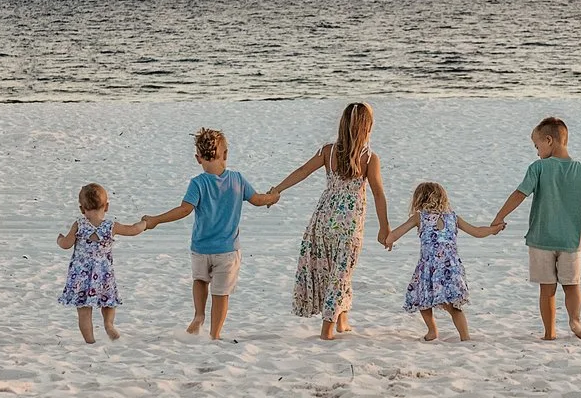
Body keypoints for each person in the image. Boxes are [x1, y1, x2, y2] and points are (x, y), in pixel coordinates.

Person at [132, 128, 282, 340]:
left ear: (198, 158)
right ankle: (215, 334)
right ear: (226, 154)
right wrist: (273, 197)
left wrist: (156, 219)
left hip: (201, 248)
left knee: (200, 280)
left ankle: (199, 315)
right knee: (221, 294)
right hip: (227, 251)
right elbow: (257, 199)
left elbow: (184, 209)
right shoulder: (237, 179)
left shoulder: (198, 183)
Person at [490, 115, 581, 343]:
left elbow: (519, 194)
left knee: (547, 289)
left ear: (549, 141)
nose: (536, 151)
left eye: (537, 145)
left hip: (541, 238)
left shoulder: (538, 168)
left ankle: (550, 333)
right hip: (571, 240)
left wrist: (499, 217)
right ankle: (575, 322)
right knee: (572, 286)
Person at [268, 102, 393, 340]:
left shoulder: (329, 151)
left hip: (323, 220)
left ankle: (342, 321)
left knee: (332, 272)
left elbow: (302, 171)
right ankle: (327, 328)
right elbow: (378, 193)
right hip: (348, 226)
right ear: (367, 128)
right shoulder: (369, 158)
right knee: (341, 274)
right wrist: (384, 227)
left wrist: (278, 189)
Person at [380, 180, 505, 340]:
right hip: (451, 269)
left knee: (422, 299)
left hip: (429, 267)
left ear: (419, 199)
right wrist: (494, 229)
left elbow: (396, 233)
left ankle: (432, 330)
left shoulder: (419, 217)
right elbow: (477, 232)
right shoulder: (453, 217)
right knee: (453, 306)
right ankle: (465, 336)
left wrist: (388, 240)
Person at [57, 182, 148, 342]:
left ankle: (90, 341)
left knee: (84, 311)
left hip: (81, 276)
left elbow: (66, 244)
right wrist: (144, 223)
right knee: (108, 302)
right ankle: (108, 324)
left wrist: (59, 239)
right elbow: (133, 230)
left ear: (81, 209)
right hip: (103, 274)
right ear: (106, 207)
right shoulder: (111, 226)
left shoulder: (79, 225)